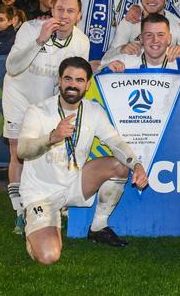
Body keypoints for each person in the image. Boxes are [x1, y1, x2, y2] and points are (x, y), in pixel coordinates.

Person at [19, 57, 148, 264]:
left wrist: (137, 165)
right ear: (59, 81)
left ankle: (98, 227)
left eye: (79, 80)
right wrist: (52, 137)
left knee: (120, 166)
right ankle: (36, 220)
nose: (72, 84)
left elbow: (115, 141)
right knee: (49, 256)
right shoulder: (38, 111)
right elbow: (23, 151)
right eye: (67, 79)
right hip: (40, 193)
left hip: (74, 184)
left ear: (87, 85)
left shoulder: (93, 110)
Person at [3, 0, 89, 235]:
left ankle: (52, 202)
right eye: (60, 9)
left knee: (48, 150)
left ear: (78, 15)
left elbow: (73, 79)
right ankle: (21, 211)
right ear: (52, 10)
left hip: (47, 101)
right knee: (18, 151)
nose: (64, 15)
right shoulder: (31, 29)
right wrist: (40, 40)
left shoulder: (81, 42)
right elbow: (12, 67)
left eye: (70, 11)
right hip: (18, 96)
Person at [102, 13, 180, 74]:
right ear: (141, 39)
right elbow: (100, 68)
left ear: (169, 39)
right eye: (149, 35)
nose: (155, 40)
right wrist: (107, 69)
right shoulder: (126, 60)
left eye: (160, 35)